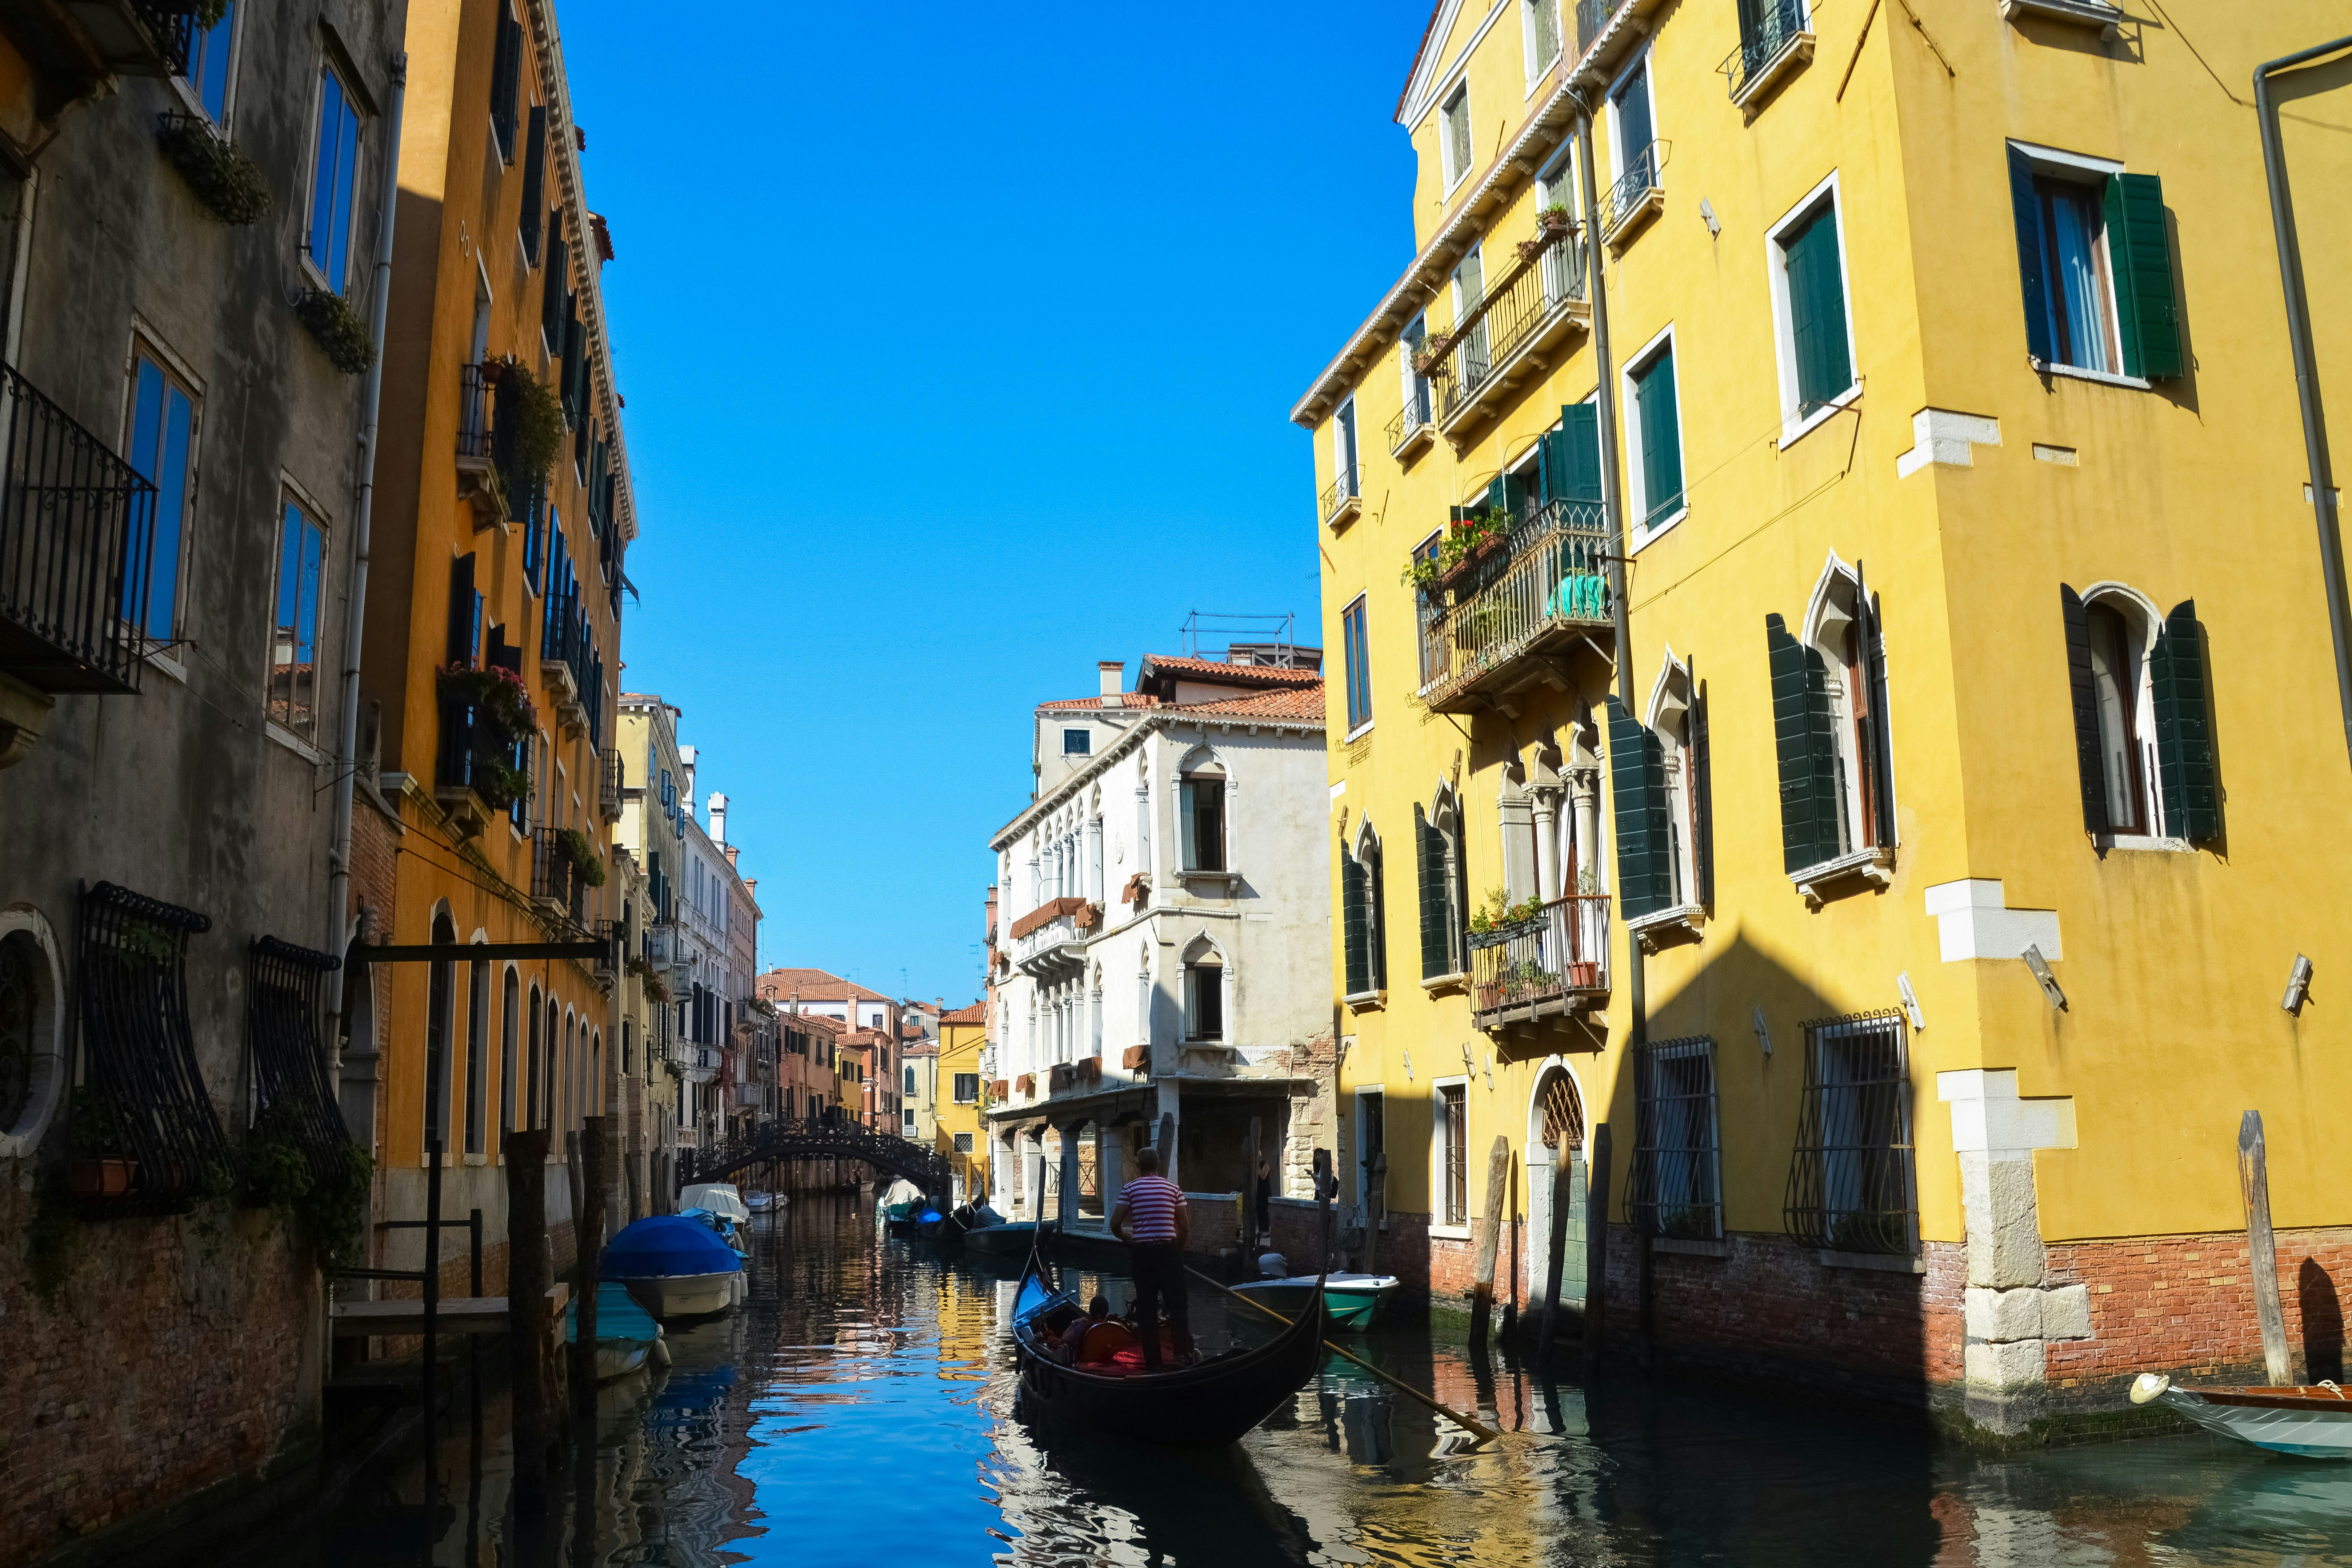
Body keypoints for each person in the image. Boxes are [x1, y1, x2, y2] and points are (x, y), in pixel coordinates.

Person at [1111, 1147, 1192, 1371]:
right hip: (1168, 1253)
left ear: (1139, 1167)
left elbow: (1115, 1225)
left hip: (1143, 1254)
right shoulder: (1174, 1189)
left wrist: (1129, 1238)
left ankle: (1154, 1363)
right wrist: (1177, 1253)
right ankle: (1181, 1357)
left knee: (1146, 1309)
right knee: (1177, 1306)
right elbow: (1184, 1229)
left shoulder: (1130, 1189)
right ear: (1158, 1165)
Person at [1057, 1295, 1114, 1361]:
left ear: (1090, 1311)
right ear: (1107, 1311)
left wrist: (1074, 1323)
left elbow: (1062, 1342)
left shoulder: (1082, 1329)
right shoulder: (1113, 1329)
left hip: (1085, 1364)